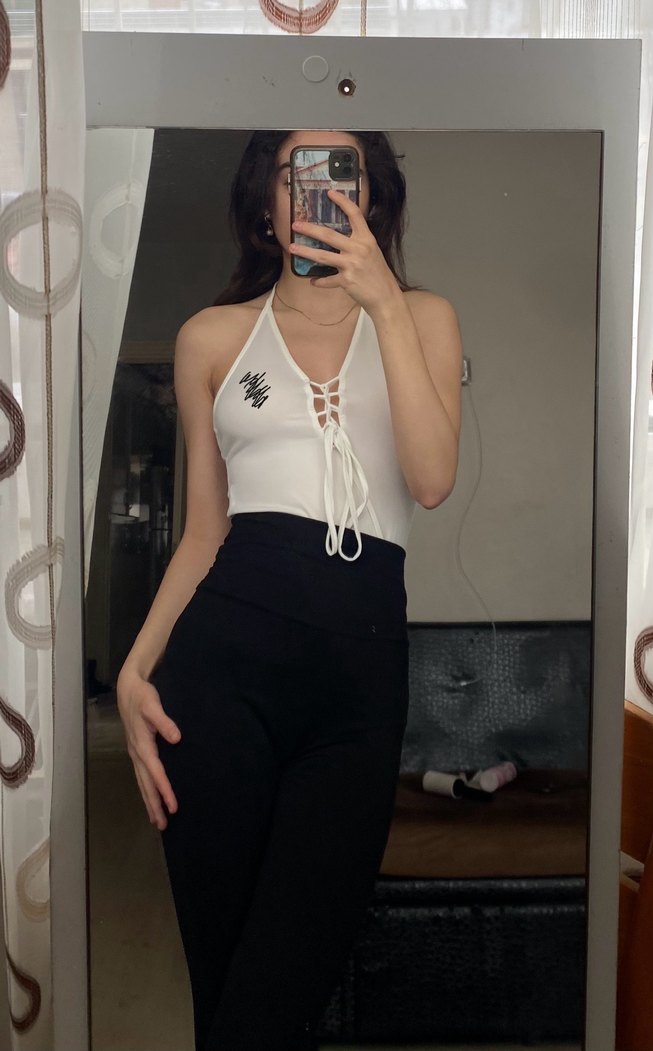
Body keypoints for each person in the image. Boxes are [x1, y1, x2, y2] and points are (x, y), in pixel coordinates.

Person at [116, 128, 463, 1051]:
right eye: (296, 174)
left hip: (358, 688)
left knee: (283, 987)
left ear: (370, 197)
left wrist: (381, 302)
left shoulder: (422, 317)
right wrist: (135, 669)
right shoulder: (210, 337)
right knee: (225, 985)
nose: (321, 191)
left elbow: (431, 479)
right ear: (266, 206)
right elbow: (203, 533)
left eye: (343, 173)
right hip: (219, 674)